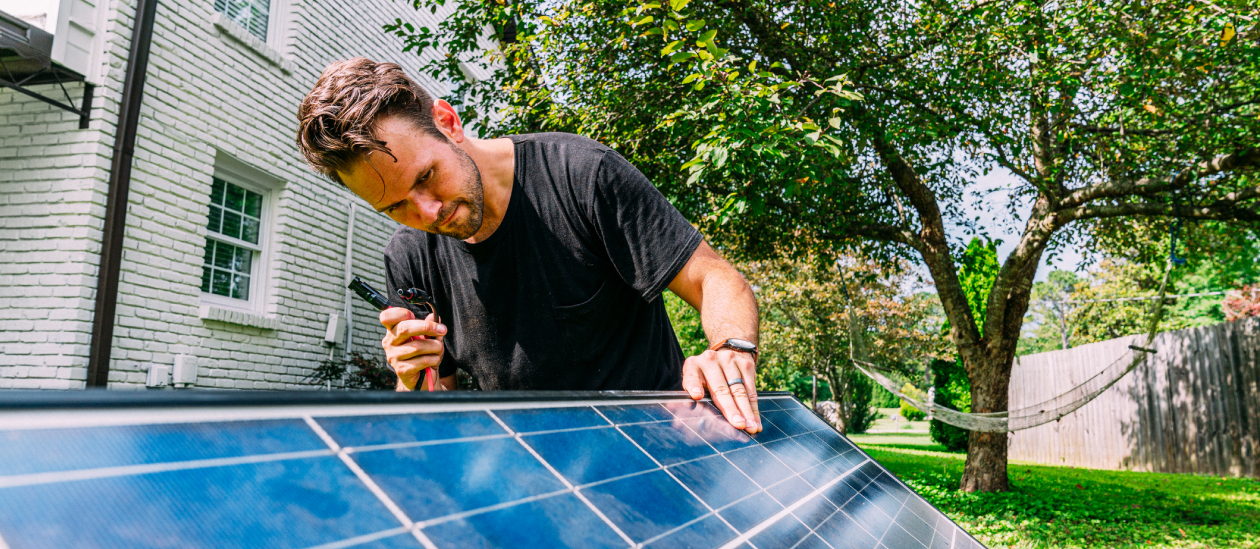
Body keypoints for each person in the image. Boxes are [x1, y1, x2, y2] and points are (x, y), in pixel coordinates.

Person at [296, 58, 762, 433]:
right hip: (531, 468)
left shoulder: (582, 174)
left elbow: (716, 278)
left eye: (427, 176)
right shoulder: (409, 255)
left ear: (447, 121)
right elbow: (436, 411)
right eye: (397, 206)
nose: (427, 213)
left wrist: (729, 349)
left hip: (658, 441)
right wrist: (411, 377)